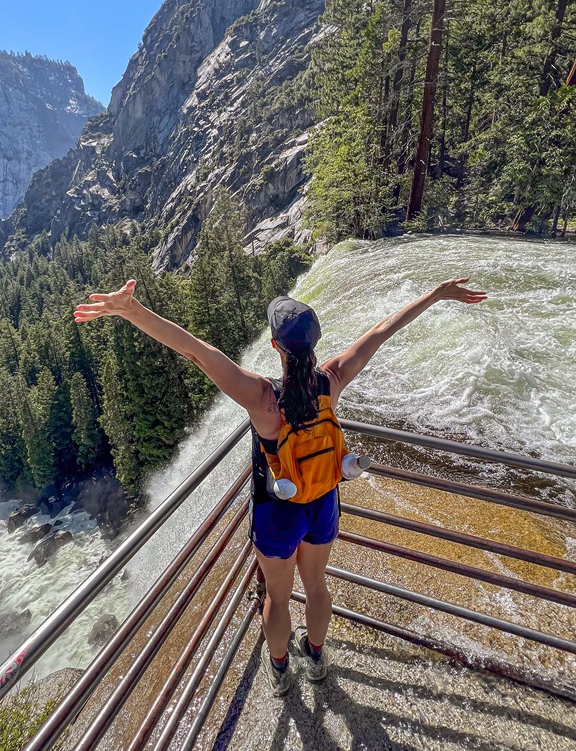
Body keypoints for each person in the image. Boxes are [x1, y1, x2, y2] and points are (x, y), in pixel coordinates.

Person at [74, 274, 487, 696]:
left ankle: (280, 669)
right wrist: (435, 295)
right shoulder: (333, 380)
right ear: (315, 344)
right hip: (323, 501)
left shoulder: (261, 398)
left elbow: (196, 351)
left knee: (277, 596)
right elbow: (382, 331)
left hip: (277, 512)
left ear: (275, 347)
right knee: (317, 585)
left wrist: (133, 311)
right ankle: (317, 655)